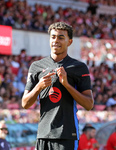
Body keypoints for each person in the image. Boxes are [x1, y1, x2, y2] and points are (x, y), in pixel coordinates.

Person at [21, 22, 94, 150]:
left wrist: (66, 85)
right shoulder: (36, 66)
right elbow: (25, 103)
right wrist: (39, 87)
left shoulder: (79, 67)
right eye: (53, 37)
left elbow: (89, 104)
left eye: (61, 37)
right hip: (43, 134)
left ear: (69, 42)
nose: (56, 40)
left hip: (67, 134)